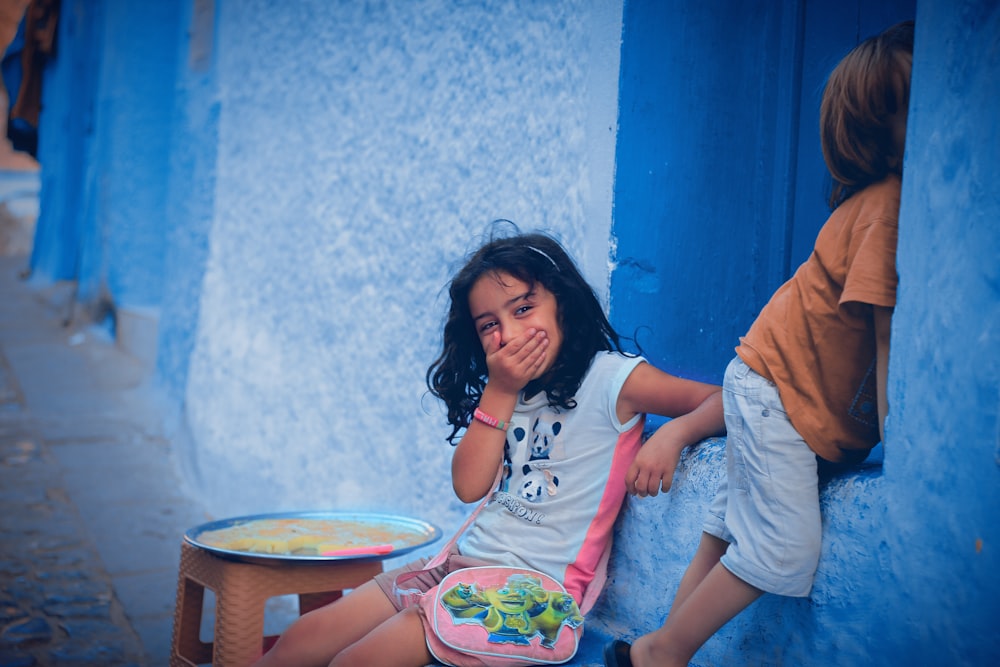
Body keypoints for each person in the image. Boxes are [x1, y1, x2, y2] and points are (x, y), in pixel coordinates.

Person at [252, 229, 724, 667]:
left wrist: (673, 434)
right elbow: (469, 485)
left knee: (356, 662)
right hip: (454, 568)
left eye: (523, 309)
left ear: (561, 302)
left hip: (528, 596)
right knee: (301, 639)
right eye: (489, 325)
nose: (510, 333)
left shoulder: (613, 379)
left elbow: (726, 401)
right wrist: (498, 390)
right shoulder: (507, 387)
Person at [603, 20, 914, 667]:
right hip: (776, 394)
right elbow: (885, 333)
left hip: (770, 387)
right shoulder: (886, 207)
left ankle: (654, 651)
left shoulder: (881, 205)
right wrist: (901, 436)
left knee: (724, 533)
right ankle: (665, 650)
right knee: (785, 549)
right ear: (888, 126)